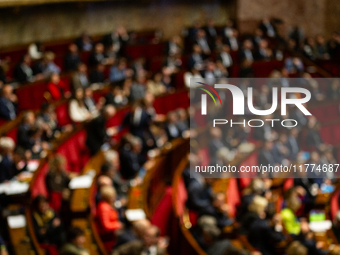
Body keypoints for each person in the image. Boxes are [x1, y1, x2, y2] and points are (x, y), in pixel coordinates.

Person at [96, 186, 123, 251]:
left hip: (111, 236)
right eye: (113, 195)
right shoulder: (103, 207)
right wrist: (118, 225)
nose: (115, 197)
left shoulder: (108, 205)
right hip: (106, 238)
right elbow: (106, 226)